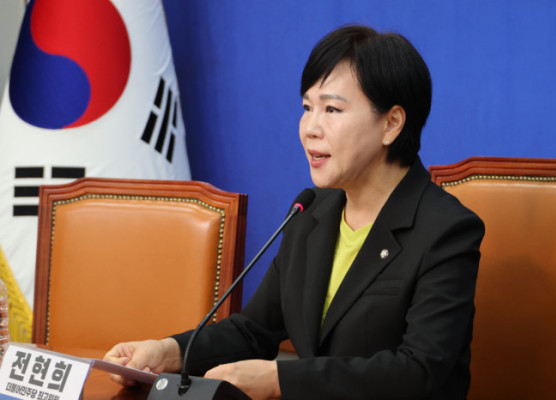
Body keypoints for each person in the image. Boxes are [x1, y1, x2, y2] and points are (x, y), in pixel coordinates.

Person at [104, 25, 485, 400]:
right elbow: (253, 331)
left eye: (332, 109)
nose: (310, 129)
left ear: (391, 123)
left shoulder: (445, 230)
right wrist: (167, 352)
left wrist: (280, 380)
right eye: (307, 108)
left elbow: (418, 371)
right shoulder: (311, 213)